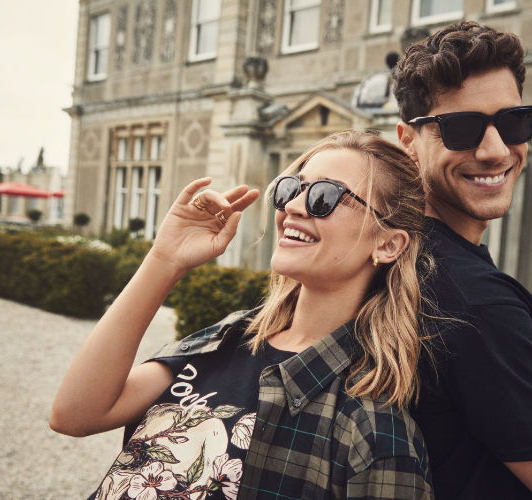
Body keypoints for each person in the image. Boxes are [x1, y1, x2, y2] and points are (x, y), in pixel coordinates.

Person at [50, 130, 435, 500]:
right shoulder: (232, 337)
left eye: (325, 197)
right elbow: (75, 414)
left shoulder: (373, 430)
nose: (294, 207)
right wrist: (164, 259)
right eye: (291, 189)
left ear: (388, 244)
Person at [393, 22, 532, 499]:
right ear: (407, 141)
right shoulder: (475, 303)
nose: (495, 151)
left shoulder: (391, 250)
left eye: (514, 122)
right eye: (462, 127)